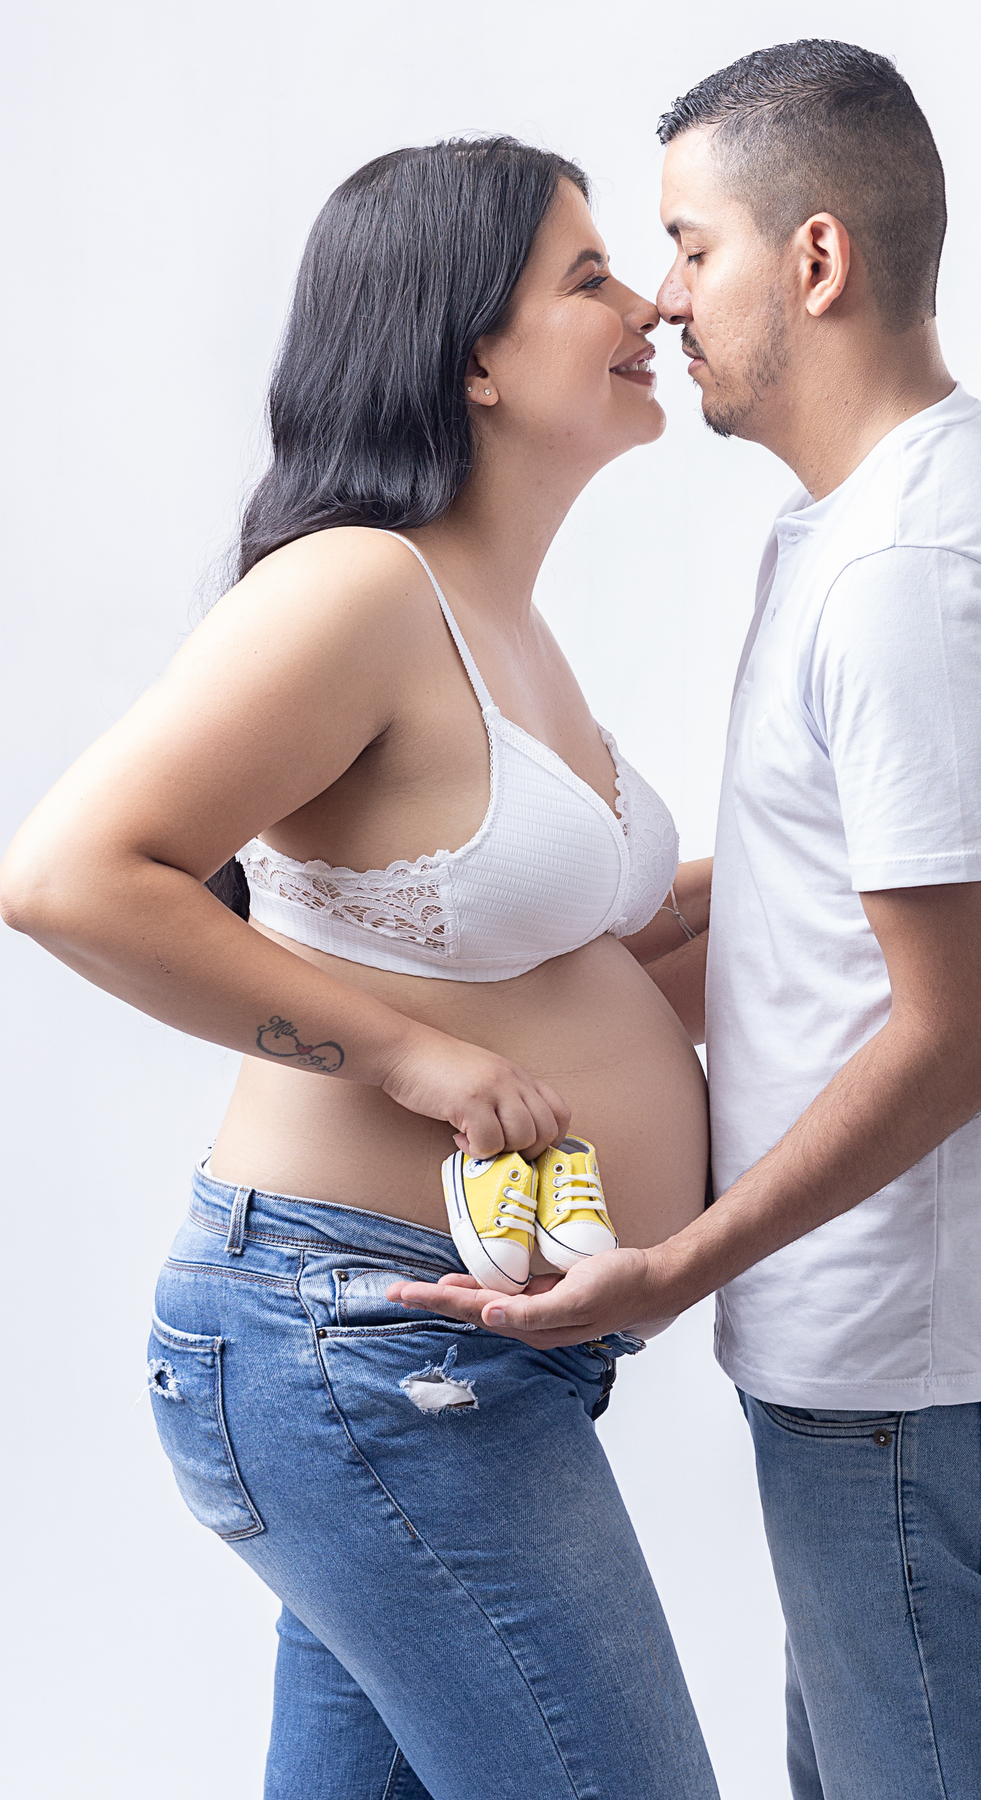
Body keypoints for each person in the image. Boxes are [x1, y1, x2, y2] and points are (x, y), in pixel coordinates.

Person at [402, 43, 981, 1800]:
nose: (662, 297)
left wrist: (674, 1269)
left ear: (816, 262)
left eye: (686, 243)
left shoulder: (910, 585)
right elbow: (825, 904)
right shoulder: (851, 537)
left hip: (916, 1391)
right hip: (888, 1385)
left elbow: (956, 1030)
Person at [0, 138, 720, 1800]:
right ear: (474, 353)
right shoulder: (357, 589)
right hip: (361, 1340)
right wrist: (415, 1063)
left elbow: (558, 956)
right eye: (590, 277)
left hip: (445, 1344)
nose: (648, 307)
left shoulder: (498, 614)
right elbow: (71, 878)